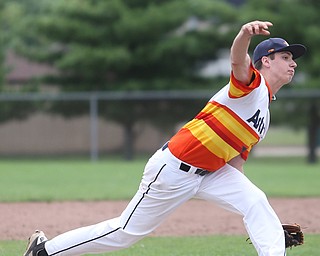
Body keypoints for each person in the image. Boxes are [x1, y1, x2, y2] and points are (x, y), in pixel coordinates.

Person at [24, 20, 306, 256]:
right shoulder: (250, 85)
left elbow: (234, 162)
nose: (292, 63)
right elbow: (237, 60)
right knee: (125, 233)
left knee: (255, 201)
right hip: (173, 169)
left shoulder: (264, 116)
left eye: (292, 58)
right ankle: (44, 251)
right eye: (285, 57)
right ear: (265, 61)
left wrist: (267, 223)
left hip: (212, 173)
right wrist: (244, 34)